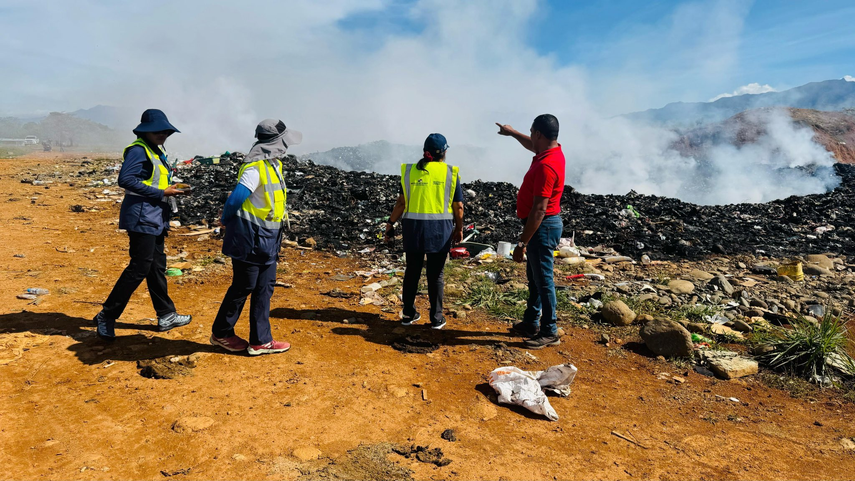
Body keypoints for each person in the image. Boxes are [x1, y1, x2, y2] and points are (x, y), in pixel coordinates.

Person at [93, 109, 193, 340]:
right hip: (142, 216)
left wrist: (171, 189)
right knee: (139, 267)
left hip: (155, 216)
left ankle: (166, 314)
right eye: (157, 131)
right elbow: (125, 180)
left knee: (156, 266)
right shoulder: (139, 150)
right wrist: (161, 192)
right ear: (145, 132)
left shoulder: (156, 150)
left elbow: (153, 180)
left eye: (165, 131)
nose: (162, 135)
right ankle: (107, 315)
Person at [210, 119, 301, 356]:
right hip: (249, 238)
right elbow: (235, 198)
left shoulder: (274, 165)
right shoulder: (254, 168)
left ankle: (261, 340)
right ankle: (221, 333)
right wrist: (224, 220)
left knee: (264, 287)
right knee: (244, 286)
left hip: (268, 238)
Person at [496, 114, 565, 349]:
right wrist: (513, 133)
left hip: (542, 226)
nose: (530, 136)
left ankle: (549, 331)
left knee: (544, 281)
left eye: (531, 132)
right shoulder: (551, 151)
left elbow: (539, 209)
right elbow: (532, 145)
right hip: (542, 225)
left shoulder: (546, 165)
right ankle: (531, 322)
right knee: (535, 278)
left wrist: (522, 243)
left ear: (538, 134)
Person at [384, 133, 464, 330]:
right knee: (436, 275)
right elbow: (459, 207)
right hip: (440, 231)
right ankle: (436, 318)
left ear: (424, 151)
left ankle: (408, 314)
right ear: (444, 152)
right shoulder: (450, 173)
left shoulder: (410, 172)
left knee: (412, 271)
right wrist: (459, 228)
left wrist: (390, 223)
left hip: (413, 229)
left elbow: (401, 203)